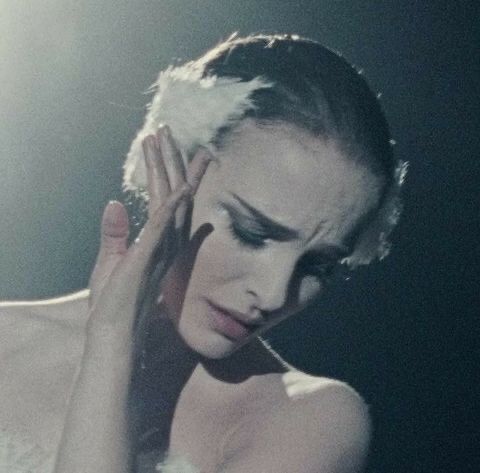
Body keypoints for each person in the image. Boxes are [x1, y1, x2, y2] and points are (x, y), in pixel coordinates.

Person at [0, 33, 407, 472]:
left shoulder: (310, 420)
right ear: (171, 166)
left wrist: (111, 346)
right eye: (251, 232)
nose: (272, 295)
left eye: (318, 266)